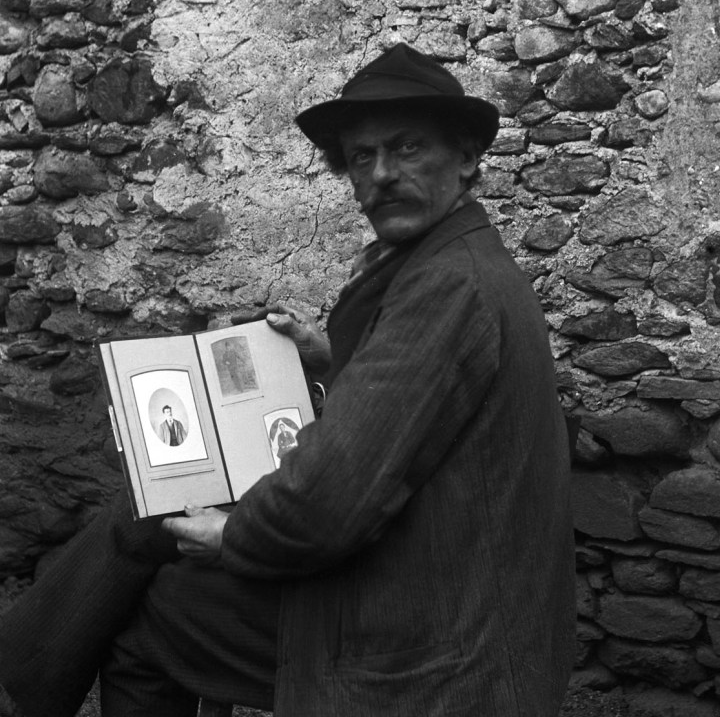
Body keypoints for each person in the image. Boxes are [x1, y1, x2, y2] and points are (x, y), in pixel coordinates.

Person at [0, 42, 576, 717]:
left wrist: (231, 537)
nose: (381, 174)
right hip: (445, 589)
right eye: (362, 157)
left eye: (408, 148)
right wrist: (330, 356)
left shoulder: (448, 285)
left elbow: (325, 504)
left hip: (433, 636)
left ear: (467, 157)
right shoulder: (452, 261)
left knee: (152, 613)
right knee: (152, 522)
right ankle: (18, 679)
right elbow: (424, 391)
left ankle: (18, 681)